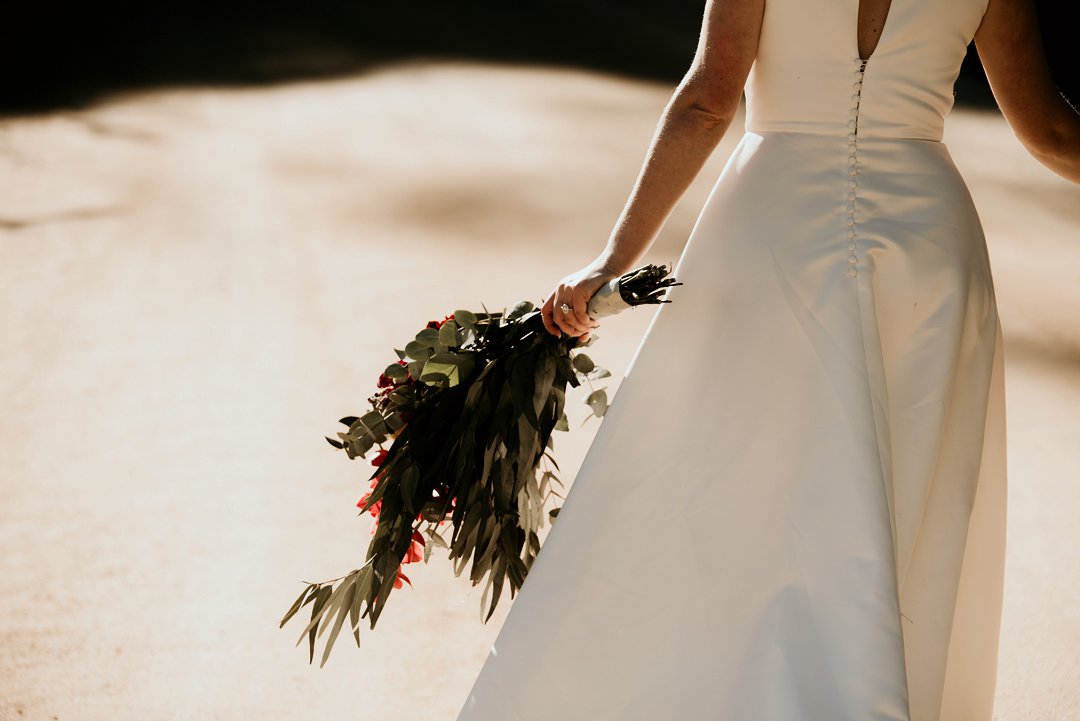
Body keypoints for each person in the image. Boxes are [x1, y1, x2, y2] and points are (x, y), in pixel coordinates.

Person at [459, 0, 1080, 719]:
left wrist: (612, 259)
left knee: (730, 486)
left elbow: (708, 100)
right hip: (928, 251)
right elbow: (1050, 130)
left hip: (775, 232)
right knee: (908, 495)